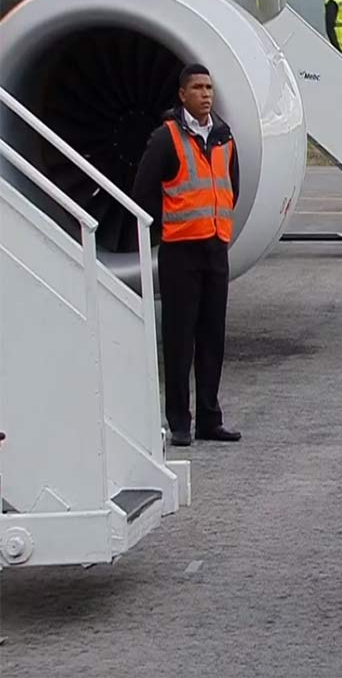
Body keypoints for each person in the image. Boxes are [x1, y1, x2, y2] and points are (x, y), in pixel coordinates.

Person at [132, 63, 241, 448]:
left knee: (213, 337)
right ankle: (179, 420)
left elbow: (233, 187)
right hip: (180, 251)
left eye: (209, 87)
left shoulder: (225, 137)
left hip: (215, 247)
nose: (206, 94)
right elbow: (143, 190)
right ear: (182, 95)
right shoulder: (168, 138)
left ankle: (210, 418)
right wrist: (172, 227)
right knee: (179, 339)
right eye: (197, 87)